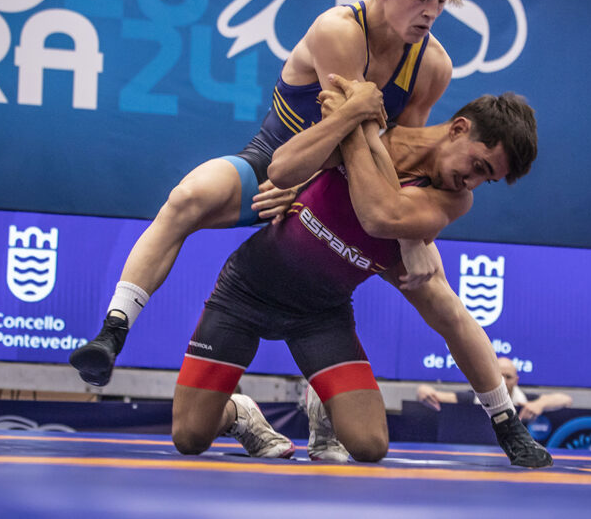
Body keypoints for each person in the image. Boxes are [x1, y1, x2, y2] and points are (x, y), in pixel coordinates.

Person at [69, 0, 475, 387]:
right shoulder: (338, 30)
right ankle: (113, 332)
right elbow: (349, 130)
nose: (431, 13)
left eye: (440, 2)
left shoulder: (433, 64)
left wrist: (413, 241)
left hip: (342, 190)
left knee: (434, 288)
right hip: (274, 163)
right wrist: (299, 186)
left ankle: (503, 415)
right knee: (187, 197)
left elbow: (400, 152)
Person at [172, 89, 553, 468]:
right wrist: (351, 123)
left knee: (371, 445)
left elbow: (380, 217)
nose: (470, 182)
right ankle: (241, 414)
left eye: (484, 179)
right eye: (478, 165)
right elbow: (281, 167)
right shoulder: (384, 127)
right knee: (190, 436)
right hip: (246, 291)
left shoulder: (449, 198)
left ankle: (327, 410)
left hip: (319, 316)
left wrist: (361, 132)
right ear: (458, 128)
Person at [416, 357, 573, 422]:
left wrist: (542, 403)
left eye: (508, 377)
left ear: (516, 380)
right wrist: (422, 390)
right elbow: (431, 393)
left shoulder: (527, 400)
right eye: (499, 376)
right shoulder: (472, 397)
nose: (503, 381)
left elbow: (566, 400)